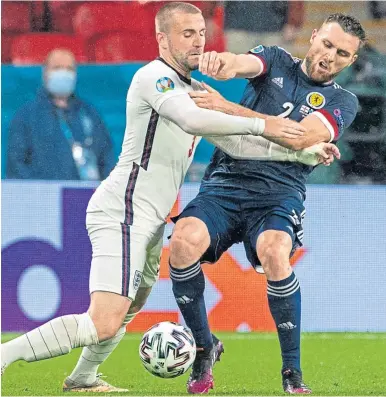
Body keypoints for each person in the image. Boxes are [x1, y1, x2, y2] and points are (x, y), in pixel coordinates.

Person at [1, 2, 339, 393]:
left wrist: (301, 151)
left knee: (127, 309)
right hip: (123, 211)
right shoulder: (155, 78)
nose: (198, 42)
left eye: (200, 33)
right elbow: (193, 120)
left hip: (151, 218)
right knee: (104, 320)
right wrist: (267, 123)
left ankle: (83, 378)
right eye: (186, 34)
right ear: (162, 38)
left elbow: (238, 143)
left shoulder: (193, 89)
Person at [168, 13, 365, 394]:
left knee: (275, 252)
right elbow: (239, 63)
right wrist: (218, 62)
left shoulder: (344, 101)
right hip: (226, 183)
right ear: (313, 38)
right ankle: (205, 346)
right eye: (327, 44)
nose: (330, 56)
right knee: (181, 242)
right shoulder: (274, 59)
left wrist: (227, 108)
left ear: (351, 61)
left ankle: (292, 375)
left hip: (279, 192)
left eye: (342, 53)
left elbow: (298, 137)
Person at [6, 48, 115, 181]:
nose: (63, 73)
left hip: (84, 197)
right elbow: (16, 164)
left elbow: (106, 158)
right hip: (41, 197)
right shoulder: (26, 116)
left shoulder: (89, 114)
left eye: (69, 69)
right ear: (45, 73)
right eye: (57, 68)